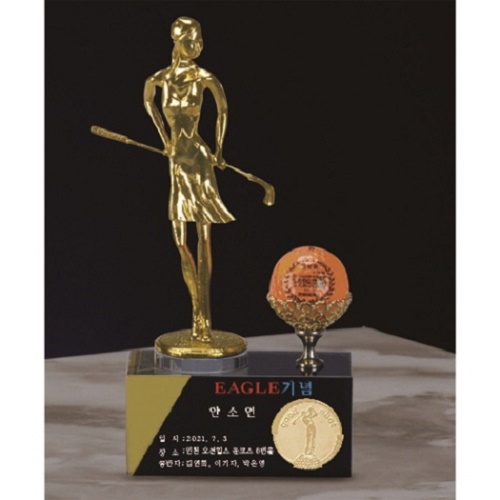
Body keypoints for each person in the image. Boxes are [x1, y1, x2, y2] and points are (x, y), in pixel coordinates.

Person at [144, 17, 233, 342]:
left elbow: (223, 111)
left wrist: (219, 150)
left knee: (203, 237)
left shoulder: (205, 78)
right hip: (176, 163)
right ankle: (197, 306)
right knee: (180, 240)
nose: (197, 45)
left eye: (199, 39)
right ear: (177, 40)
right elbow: (148, 102)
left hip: (198, 159)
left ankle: (202, 317)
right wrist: (165, 140)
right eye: (191, 39)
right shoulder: (158, 79)